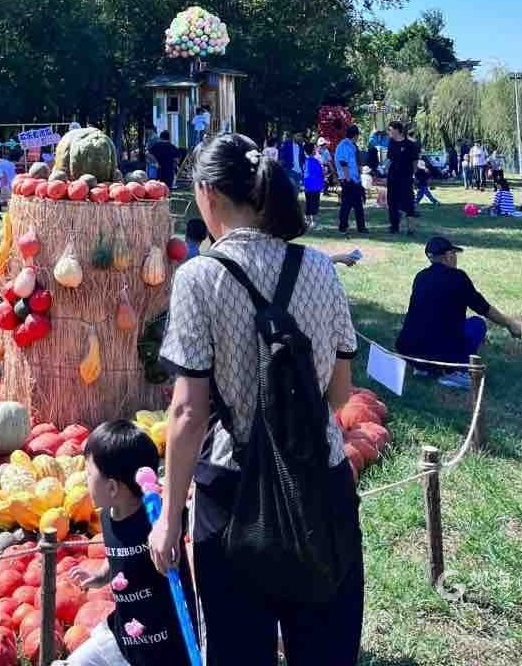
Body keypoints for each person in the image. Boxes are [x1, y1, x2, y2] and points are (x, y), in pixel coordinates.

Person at [149, 133, 364, 666]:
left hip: (234, 494)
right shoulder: (318, 266)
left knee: (239, 650)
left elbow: (188, 411)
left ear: (207, 194)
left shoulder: (199, 276)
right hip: (321, 480)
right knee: (325, 647)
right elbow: (341, 393)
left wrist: (169, 517)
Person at [60, 420, 197, 666]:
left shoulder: (157, 522)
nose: (84, 478)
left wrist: (171, 520)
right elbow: (119, 557)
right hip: (124, 634)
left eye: (89, 473)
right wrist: (101, 577)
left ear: (112, 487)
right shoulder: (107, 515)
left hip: (166, 645)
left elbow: (181, 529)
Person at [396, 236, 522, 388]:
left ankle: (423, 369)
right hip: (441, 353)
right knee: (477, 324)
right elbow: (483, 308)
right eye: (455, 254)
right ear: (448, 256)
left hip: (408, 350)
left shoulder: (420, 276)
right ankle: (456, 372)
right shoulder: (458, 277)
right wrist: (509, 323)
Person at [386, 121, 419, 235]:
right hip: (392, 178)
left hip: (406, 178)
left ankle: (411, 229)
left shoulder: (410, 144)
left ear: (397, 130)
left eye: (390, 129)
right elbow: (389, 159)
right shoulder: (391, 143)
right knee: (392, 203)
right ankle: (394, 226)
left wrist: (413, 174)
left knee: (408, 203)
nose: (389, 132)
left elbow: (415, 161)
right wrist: (384, 170)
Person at [335, 124, 367, 235]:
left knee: (358, 204)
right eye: (358, 135)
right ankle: (342, 227)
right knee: (346, 205)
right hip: (348, 179)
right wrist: (348, 179)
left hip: (355, 179)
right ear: (355, 135)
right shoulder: (343, 145)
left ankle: (361, 227)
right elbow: (343, 163)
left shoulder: (352, 145)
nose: (358, 137)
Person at [302, 141, 324, 229]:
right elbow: (320, 174)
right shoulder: (316, 161)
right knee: (314, 204)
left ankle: (307, 221)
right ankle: (314, 223)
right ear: (312, 151)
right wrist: (322, 185)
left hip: (307, 186)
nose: (316, 150)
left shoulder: (305, 162)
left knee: (308, 203)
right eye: (314, 149)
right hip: (315, 187)